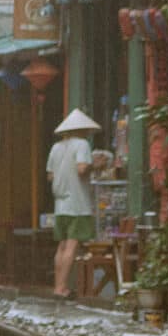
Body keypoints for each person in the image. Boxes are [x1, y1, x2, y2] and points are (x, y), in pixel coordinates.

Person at [47, 109, 103, 298]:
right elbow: (81, 169)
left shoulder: (56, 148)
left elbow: (51, 175)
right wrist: (97, 165)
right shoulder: (82, 144)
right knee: (72, 246)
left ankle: (57, 286)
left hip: (60, 203)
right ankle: (62, 287)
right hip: (77, 202)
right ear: (82, 130)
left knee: (61, 246)